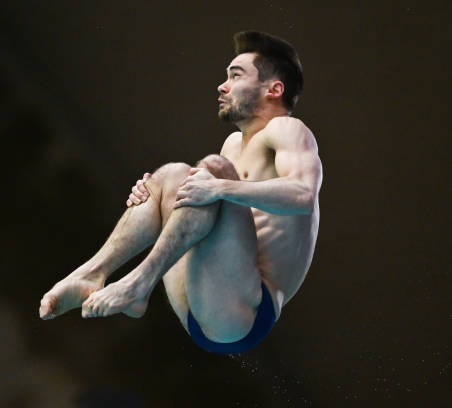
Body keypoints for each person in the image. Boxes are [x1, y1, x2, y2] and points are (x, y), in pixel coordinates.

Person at [39, 31, 322, 355]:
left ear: (274, 89)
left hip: (246, 312)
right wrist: (155, 196)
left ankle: (137, 284)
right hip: (200, 300)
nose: (222, 86)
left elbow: (303, 196)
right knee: (173, 174)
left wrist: (218, 186)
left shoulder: (288, 130)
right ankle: (91, 274)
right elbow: (202, 216)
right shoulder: (233, 144)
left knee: (212, 170)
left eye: (235, 76)